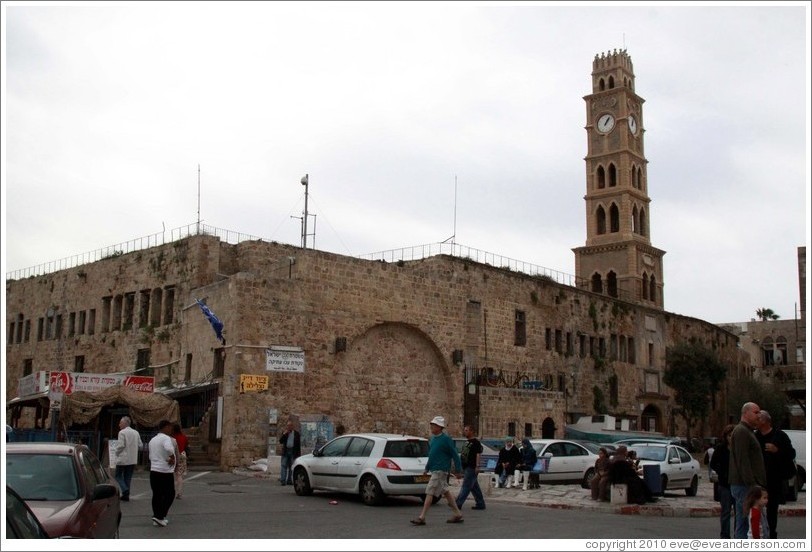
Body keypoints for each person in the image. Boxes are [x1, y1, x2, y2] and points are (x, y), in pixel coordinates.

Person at [410, 416, 464, 525]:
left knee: (429, 491)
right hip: (435, 469)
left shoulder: (446, 439)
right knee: (446, 491)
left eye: (433, 425)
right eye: (431, 425)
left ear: (439, 427)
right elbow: (432, 455)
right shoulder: (433, 439)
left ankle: (422, 517)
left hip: (441, 470)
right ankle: (457, 513)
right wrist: (427, 467)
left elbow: (455, 455)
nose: (431, 427)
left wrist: (458, 470)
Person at [729, 402, 767, 539]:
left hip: (746, 486)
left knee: (745, 523)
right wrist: (752, 485)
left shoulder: (748, 431)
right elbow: (742, 461)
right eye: (756, 412)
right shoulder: (741, 432)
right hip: (744, 486)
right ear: (745, 413)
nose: (759, 415)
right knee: (747, 523)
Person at [755, 410, 795, 538]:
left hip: (774, 480)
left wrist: (777, 450)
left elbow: (791, 454)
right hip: (759, 480)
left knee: (772, 510)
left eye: (759, 418)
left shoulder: (780, 436)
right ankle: (758, 534)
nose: (757, 420)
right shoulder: (755, 436)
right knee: (756, 508)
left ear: (766, 421)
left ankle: (771, 535)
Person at [148, 419, 177, 527]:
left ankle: (157, 516)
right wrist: (172, 457)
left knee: (157, 494)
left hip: (154, 470)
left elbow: (150, 455)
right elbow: (169, 449)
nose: (171, 430)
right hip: (164, 471)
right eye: (170, 427)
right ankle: (160, 515)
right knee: (170, 494)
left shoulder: (152, 440)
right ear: (165, 427)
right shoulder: (166, 438)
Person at [710, 424, 736, 538]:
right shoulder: (720, 448)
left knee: (739, 513)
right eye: (729, 435)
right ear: (725, 437)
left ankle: (738, 536)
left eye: (733, 435)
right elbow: (713, 464)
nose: (731, 438)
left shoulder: (738, 448)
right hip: (725, 485)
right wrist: (722, 472)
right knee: (725, 512)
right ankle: (725, 536)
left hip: (737, 483)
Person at [455, 424, 486, 511]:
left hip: (471, 467)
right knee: (474, 487)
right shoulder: (466, 442)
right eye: (465, 430)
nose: (465, 432)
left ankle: (458, 503)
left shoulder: (476, 442)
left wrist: (477, 466)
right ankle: (480, 503)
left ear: (471, 431)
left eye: (466, 430)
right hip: (466, 467)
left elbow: (478, 454)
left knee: (466, 486)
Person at [113, 416, 142, 502]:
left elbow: (121, 445)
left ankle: (125, 490)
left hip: (123, 458)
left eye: (120, 423)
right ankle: (126, 495)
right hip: (132, 459)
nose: (119, 425)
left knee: (118, 475)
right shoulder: (136, 432)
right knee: (128, 477)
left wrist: (116, 452)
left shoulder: (122, 432)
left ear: (125, 423)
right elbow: (140, 445)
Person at [279, 421, 301, 486]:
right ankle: (283, 480)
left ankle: (289, 480)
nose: (289, 427)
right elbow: (280, 441)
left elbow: (298, 445)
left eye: (290, 425)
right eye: (288, 426)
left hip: (293, 451)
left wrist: (298, 454)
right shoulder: (285, 433)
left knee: (291, 467)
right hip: (285, 451)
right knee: (283, 466)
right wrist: (285, 434)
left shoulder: (296, 434)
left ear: (292, 426)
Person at [171, 424, 188, 499]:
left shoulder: (172, 438)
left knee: (171, 474)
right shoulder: (184, 437)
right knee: (179, 475)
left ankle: (171, 491)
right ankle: (179, 492)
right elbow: (186, 445)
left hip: (174, 455)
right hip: (182, 455)